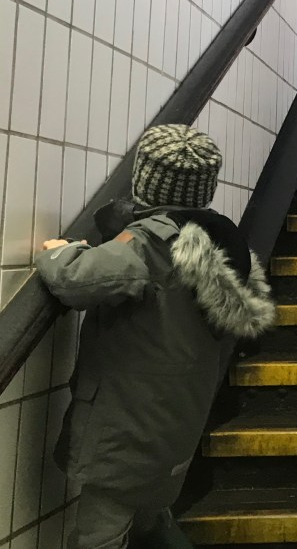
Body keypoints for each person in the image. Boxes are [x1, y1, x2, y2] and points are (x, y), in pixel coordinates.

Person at [36, 124, 276, 549]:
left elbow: (76, 279)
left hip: (128, 427)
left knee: (99, 535)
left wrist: (59, 251)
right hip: (176, 421)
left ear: (146, 178)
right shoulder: (222, 240)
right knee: (149, 517)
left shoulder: (153, 241)